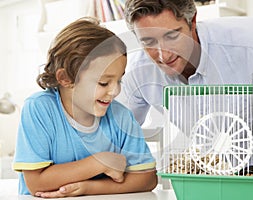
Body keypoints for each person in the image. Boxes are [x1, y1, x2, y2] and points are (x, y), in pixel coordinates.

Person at [122, 1, 253, 170]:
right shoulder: (138, 72)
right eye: (148, 42)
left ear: (192, 21)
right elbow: (118, 133)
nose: (163, 55)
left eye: (172, 36)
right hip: (207, 179)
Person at [13, 17, 157, 198]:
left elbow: (147, 179)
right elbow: (36, 183)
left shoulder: (121, 116)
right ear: (65, 78)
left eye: (119, 80)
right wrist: (100, 162)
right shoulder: (39, 109)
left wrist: (89, 188)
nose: (115, 91)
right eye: (104, 83)